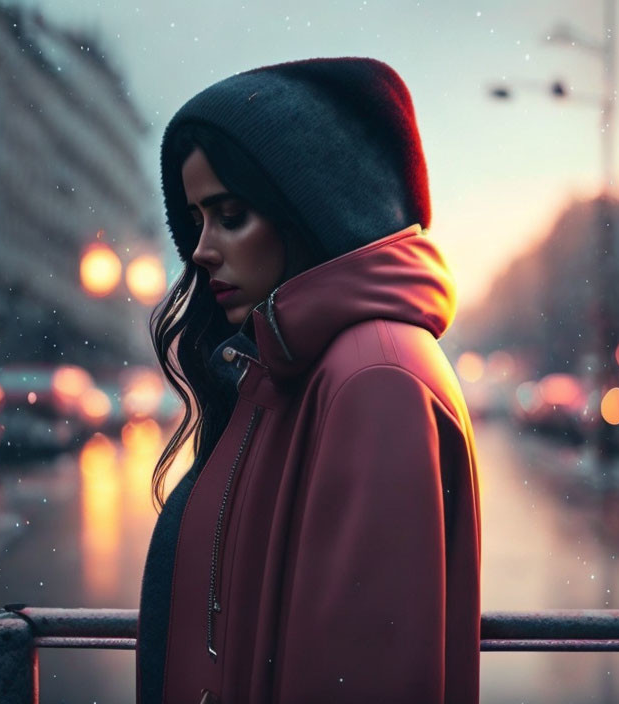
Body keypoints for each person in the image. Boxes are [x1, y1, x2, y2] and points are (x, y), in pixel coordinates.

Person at [137, 57, 481, 704]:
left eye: (230, 214)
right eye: (196, 219)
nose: (201, 249)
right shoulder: (284, 369)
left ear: (313, 211)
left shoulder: (374, 379)